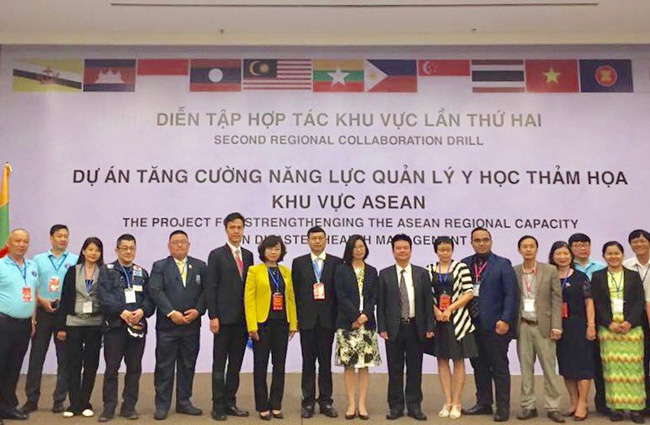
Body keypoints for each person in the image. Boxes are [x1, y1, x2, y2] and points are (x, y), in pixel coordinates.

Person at [461, 227, 518, 422]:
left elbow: (511, 295)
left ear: (491, 241)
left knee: (499, 367)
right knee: (479, 366)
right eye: (477, 240)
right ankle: (484, 403)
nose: (481, 243)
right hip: (471, 325)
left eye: (485, 239)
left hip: (496, 325)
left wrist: (506, 320)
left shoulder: (503, 264)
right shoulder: (464, 264)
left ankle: (503, 408)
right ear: (471, 242)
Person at [149, 230, 207, 421]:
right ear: (169, 246)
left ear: (189, 245)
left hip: (191, 325)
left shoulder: (200, 266)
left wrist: (198, 310)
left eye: (183, 242)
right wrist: (171, 312)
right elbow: (156, 291)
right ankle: (162, 405)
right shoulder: (160, 266)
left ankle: (184, 402)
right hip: (168, 326)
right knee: (164, 366)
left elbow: (206, 292)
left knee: (187, 365)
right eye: (175, 242)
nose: (180, 245)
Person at [97, 234, 155, 422]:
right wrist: (121, 311)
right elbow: (103, 297)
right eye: (124, 248)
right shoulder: (106, 271)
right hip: (115, 327)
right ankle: (109, 407)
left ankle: (129, 407)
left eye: (132, 248)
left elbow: (150, 299)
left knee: (134, 368)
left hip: (137, 327)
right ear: (117, 250)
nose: (128, 251)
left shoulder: (142, 273)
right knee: (111, 369)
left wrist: (142, 311)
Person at [377, 234, 434, 421]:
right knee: (394, 369)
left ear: (410, 250)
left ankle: (414, 406)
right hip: (393, 328)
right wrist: (382, 327)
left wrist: (430, 326)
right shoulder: (384, 274)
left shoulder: (421, 273)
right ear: (393, 251)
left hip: (416, 327)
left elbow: (427, 302)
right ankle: (395, 407)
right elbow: (381, 304)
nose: (402, 251)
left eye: (405, 248)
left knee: (415, 369)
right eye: (398, 248)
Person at [22, 224, 77, 414]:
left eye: (66, 236)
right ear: (51, 237)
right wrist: (40, 301)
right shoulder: (38, 260)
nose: (63, 239)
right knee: (37, 357)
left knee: (65, 359)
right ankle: (31, 399)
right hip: (43, 311)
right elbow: (31, 286)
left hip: (64, 313)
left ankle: (59, 400)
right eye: (59, 236)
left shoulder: (74, 260)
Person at [205, 212, 254, 421]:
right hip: (223, 320)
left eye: (239, 227)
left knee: (235, 364)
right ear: (226, 229)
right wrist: (213, 316)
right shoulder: (216, 255)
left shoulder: (249, 255)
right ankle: (217, 405)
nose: (236, 231)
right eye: (232, 227)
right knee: (219, 363)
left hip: (242, 321)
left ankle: (230, 402)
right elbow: (211, 287)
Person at [592, 241, 646, 424]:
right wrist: (609, 323)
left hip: (632, 330)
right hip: (609, 331)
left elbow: (639, 301)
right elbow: (597, 303)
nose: (613, 256)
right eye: (609, 253)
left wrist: (630, 322)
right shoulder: (598, 276)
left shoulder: (633, 275)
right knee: (612, 371)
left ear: (622, 255)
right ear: (604, 256)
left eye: (617, 253)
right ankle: (616, 408)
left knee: (634, 371)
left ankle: (636, 409)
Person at [244, 235, 297, 421]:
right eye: (270, 248)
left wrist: (293, 323)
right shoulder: (254, 271)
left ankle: (276, 404)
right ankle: (262, 406)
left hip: (282, 323)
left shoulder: (286, 272)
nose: (274, 252)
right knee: (260, 365)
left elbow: (290, 298)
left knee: (279, 365)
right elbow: (249, 300)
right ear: (263, 250)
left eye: (277, 249)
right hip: (262, 324)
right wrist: (252, 325)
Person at [291, 226, 342, 419]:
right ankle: (308, 402)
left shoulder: (336, 262)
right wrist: (296, 319)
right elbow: (295, 293)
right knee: (308, 363)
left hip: (328, 321)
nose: (317, 241)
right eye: (314, 238)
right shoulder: (299, 262)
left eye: (321, 238)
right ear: (308, 241)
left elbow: (338, 293)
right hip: (307, 321)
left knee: (325, 364)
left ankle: (326, 402)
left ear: (326, 240)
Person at [514, 236, 565, 423]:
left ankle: (553, 407)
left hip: (545, 326)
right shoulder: (514, 271)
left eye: (531, 246)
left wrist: (557, 326)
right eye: (524, 246)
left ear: (537, 249)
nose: (528, 249)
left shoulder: (550, 270)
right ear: (519, 250)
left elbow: (557, 299)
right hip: (523, 325)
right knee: (526, 368)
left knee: (549, 369)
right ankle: (528, 406)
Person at [426, 236, 477, 420]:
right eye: (441, 250)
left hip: (458, 321)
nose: (445, 253)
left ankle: (457, 402)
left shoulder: (461, 268)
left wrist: (450, 309)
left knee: (458, 360)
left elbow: (469, 293)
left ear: (452, 250)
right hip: (438, 321)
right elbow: (426, 295)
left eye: (448, 249)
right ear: (436, 251)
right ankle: (447, 401)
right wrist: (436, 310)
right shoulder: (429, 269)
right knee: (441, 360)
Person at [55, 236, 104, 418]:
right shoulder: (73, 271)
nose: (93, 253)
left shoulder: (104, 272)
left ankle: (85, 403)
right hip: (74, 322)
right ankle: (73, 404)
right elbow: (65, 298)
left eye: (97, 250)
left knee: (91, 364)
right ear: (83, 251)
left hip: (95, 323)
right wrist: (61, 327)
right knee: (73, 364)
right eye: (90, 249)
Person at [333, 235, 381, 420]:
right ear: (349, 250)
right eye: (355, 247)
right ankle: (351, 404)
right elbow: (341, 296)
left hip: (366, 324)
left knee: (364, 366)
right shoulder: (341, 269)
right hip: (347, 324)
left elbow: (374, 296)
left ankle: (362, 404)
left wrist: (364, 316)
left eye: (361, 246)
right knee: (349, 366)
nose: (359, 249)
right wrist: (355, 317)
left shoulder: (372, 271)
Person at [549, 241, 595, 421]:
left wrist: (591, 325)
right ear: (552, 256)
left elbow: (589, 301)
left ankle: (583, 402)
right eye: (558, 254)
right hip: (559, 327)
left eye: (565, 253)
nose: (562, 257)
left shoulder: (580, 276)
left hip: (579, 325)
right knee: (566, 365)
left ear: (571, 255)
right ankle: (573, 401)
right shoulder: (550, 275)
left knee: (583, 365)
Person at [0, 229, 38, 423]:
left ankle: (7, 407)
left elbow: (33, 293)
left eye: (25, 241)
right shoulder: (1, 265)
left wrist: (32, 320)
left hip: (24, 326)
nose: (22, 245)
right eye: (18, 241)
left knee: (14, 368)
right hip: (3, 324)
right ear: (9, 242)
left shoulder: (32, 266)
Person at [569, 233, 608, 414]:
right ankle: (578, 401)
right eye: (577, 245)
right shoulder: (567, 268)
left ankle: (602, 402)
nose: (582, 248)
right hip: (576, 321)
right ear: (571, 248)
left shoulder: (601, 267)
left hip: (601, 319)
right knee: (579, 362)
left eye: (585, 244)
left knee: (600, 362)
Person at [624, 229, 650, 413]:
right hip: (635, 318)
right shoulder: (626, 265)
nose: (639, 244)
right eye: (635, 241)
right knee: (640, 361)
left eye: (643, 241)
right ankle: (643, 402)